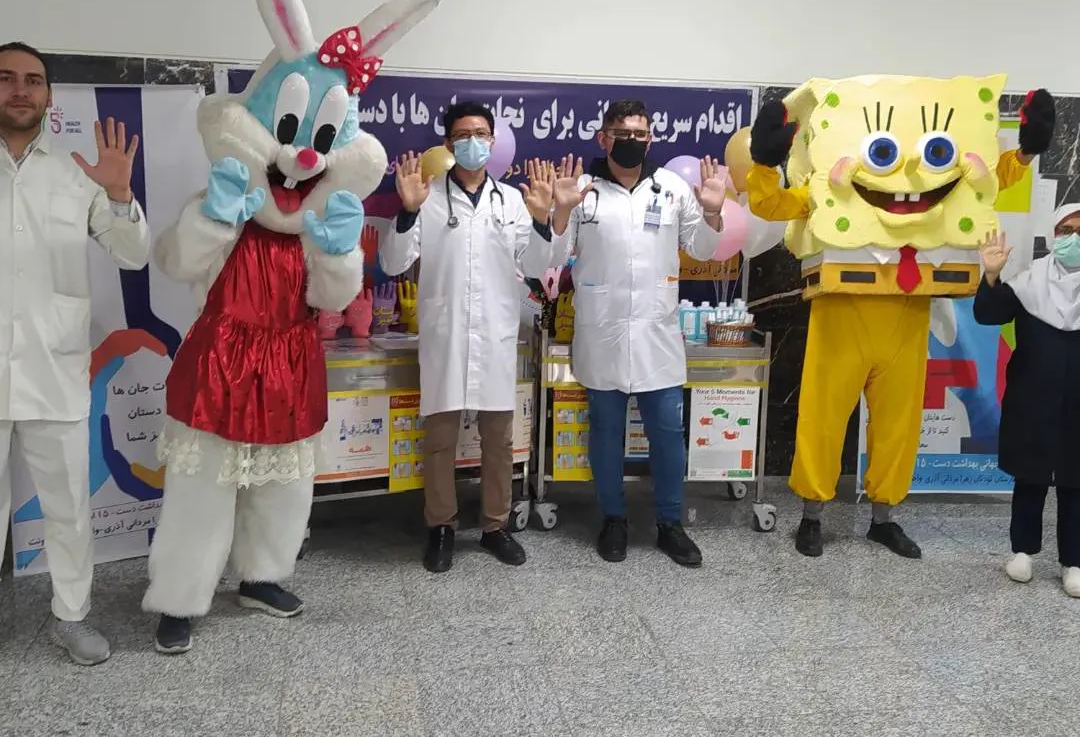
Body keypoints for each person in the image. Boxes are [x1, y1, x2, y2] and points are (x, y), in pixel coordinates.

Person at [141, 0, 446, 652]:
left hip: (290, 360)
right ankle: (180, 598)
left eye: (321, 142)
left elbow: (333, 300)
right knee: (203, 488)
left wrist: (339, 253)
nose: (301, 159)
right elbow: (175, 261)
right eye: (288, 133)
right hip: (219, 362)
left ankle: (263, 575)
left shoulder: (316, 224)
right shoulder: (227, 205)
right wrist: (212, 218)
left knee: (283, 486)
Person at [747, 79, 1054, 559]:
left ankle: (883, 518)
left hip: (907, 314)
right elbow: (771, 204)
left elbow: (988, 182)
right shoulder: (827, 191)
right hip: (841, 314)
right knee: (823, 418)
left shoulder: (939, 191)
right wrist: (765, 164)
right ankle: (811, 516)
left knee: (899, 424)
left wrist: (1027, 152)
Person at [0, 41, 151, 664]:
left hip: (54, 367)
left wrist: (118, 195)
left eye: (33, 81)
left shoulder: (75, 174)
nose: (20, 90)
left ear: (49, 96)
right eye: (7, 78)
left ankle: (72, 617)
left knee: (67, 508)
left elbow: (133, 255)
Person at [380, 102, 572, 573]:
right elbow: (393, 261)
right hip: (445, 336)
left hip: (495, 336)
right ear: (448, 143)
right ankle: (441, 527)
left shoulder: (512, 201)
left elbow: (537, 264)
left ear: (492, 141)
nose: (473, 142)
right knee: (440, 442)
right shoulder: (427, 197)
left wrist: (543, 220)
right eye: (463, 134)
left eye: (481, 134)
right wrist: (406, 213)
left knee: (499, 442)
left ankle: (495, 527)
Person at [551, 98, 727, 566]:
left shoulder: (672, 188)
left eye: (640, 134)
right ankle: (613, 519)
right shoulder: (581, 190)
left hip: (657, 333)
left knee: (668, 432)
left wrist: (712, 214)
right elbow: (552, 256)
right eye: (622, 134)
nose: (632, 142)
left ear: (650, 139)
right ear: (603, 138)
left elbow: (702, 248)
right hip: (602, 331)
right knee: (606, 432)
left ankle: (671, 523)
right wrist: (561, 213)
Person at [974, 213, 1080, 597]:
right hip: (1032, 397)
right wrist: (991, 275)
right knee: (1030, 476)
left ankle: (1074, 561)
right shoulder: (1029, 282)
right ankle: (1022, 551)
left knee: (1075, 481)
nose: (1073, 239)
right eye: (1066, 230)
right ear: (1054, 235)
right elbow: (988, 315)